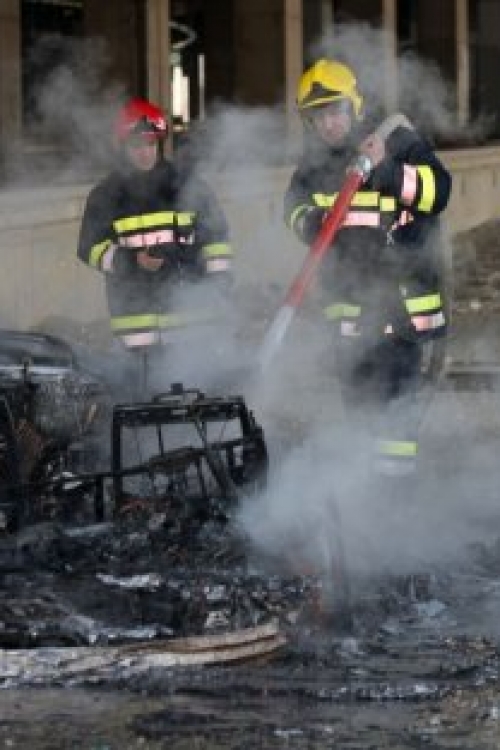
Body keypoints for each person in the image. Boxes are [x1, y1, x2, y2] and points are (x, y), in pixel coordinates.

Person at [284, 59, 452, 484]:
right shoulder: (313, 166)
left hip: (401, 314)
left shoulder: (398, 142)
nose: (329, 123)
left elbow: (439, 190)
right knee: (358, 412)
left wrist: (387, 171)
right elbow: (293, 208)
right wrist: (310, 223)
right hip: (349, 317)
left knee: (395, 416)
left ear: (354, 105)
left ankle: (393, 495)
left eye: (335, 110)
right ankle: (363, 493)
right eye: (318, 116)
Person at [77, 97, 234, 395]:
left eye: (151, 144)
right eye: (136, 145)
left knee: (199, 400)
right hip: (137, 328)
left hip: (193, 324)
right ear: (123, 146)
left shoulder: (188, 186)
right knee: (143, 404)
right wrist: (130, 260)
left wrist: (219, 286)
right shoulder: (106, 195)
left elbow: (217, 241)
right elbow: (89, 249)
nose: (145, 152)